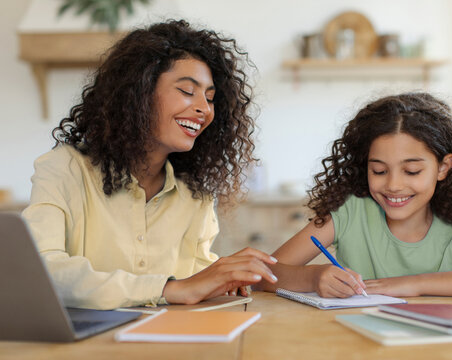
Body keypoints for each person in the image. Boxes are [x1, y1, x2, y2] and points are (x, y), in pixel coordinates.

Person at [22, 19, 277, 310]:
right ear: (138, 92)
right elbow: (42, 273)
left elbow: (194, 280)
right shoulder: (63, 169)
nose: (204, 109)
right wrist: (170, 289)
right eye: (186, 91)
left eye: (210, 98)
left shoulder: (196, 195)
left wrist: (226, 277)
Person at [259, 92, 452, 298]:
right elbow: (261, 276)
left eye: (412, 171)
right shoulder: (349, 214)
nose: (393, 185)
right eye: (379, 171)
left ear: (443, 167)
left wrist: (413, 283)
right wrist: (313, 276)